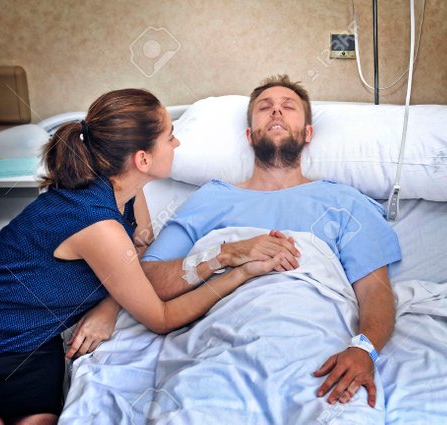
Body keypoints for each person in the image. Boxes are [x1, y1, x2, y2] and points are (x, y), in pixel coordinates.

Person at [0, 89, 284, 425]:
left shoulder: (124, 190)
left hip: (35, 338)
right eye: (170, 135)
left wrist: (108, 305)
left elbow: (140, 251)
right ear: (142, 158)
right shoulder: (98, 225)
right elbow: (160, 318)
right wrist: (237, 270)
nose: (177, 143)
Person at [139, 75, 402, 408]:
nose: (276, 112)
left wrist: (364, 349)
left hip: (321, 357)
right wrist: (226, 253)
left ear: (308, 134)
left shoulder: (345, 201)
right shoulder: (210, 199)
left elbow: (375, 290)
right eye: (265, 108)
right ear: (250, 135)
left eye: (288, 107)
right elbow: (150, 282)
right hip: (220, 350)